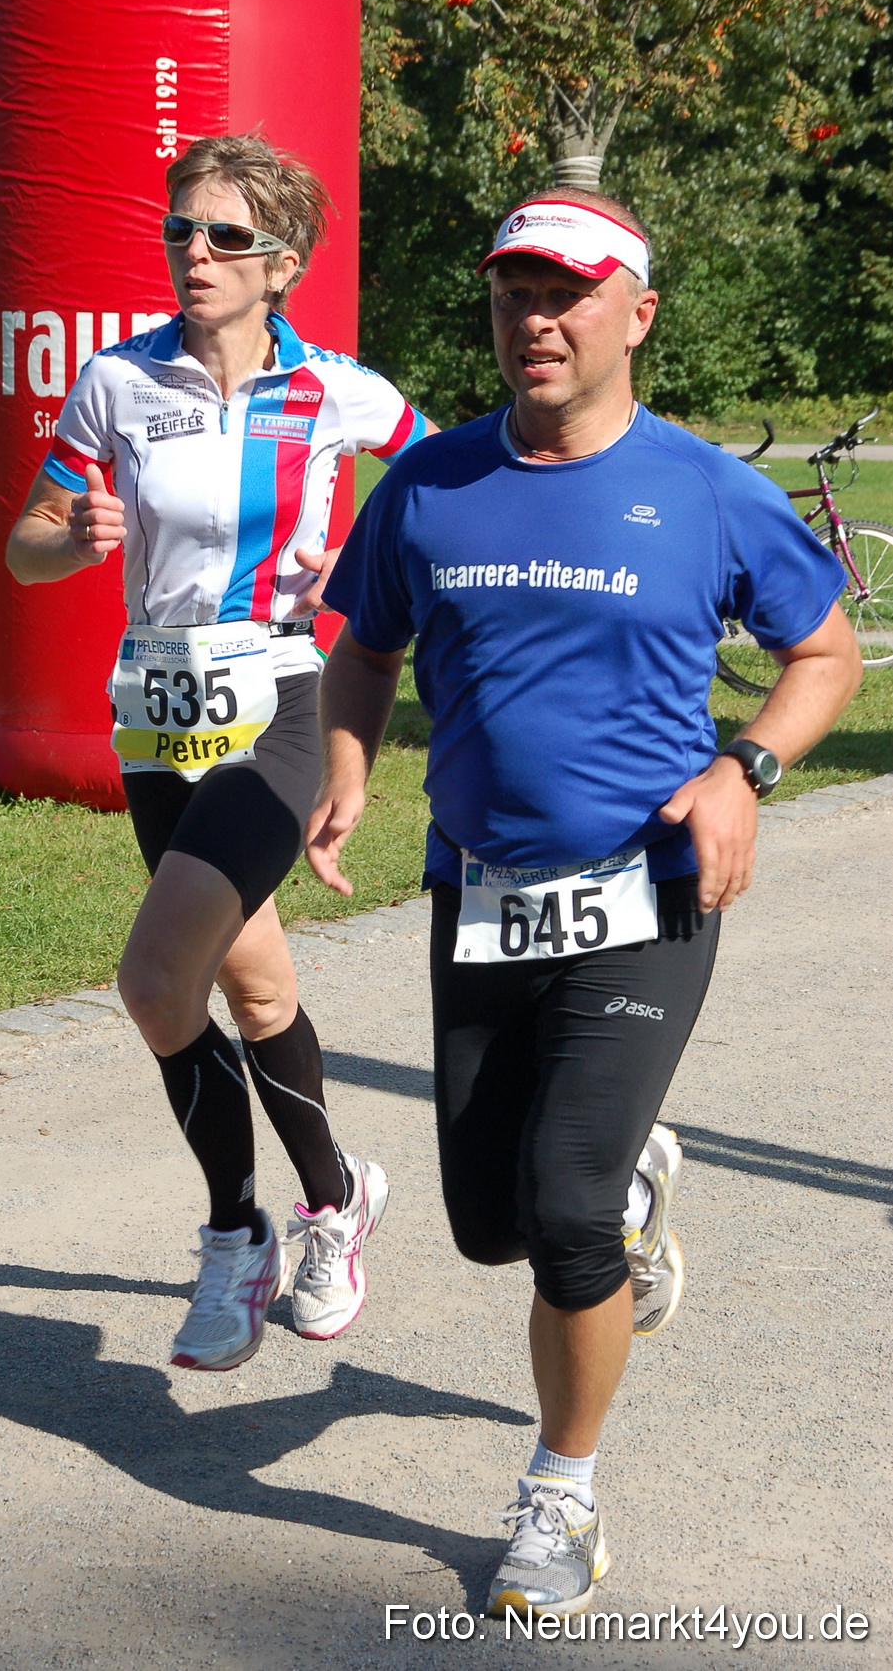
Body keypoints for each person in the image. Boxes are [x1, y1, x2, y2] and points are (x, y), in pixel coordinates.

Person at [307, 189, 861, 1617]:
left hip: (647, 895)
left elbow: (824, 652)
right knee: (490, 1225)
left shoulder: (703, 489)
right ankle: (628, 1184)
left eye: (566, 294)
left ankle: (561, 1492)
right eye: (512, 294)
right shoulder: (425, 485)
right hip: (477, 896)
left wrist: (743, 768)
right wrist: (353, 768)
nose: (534, 321)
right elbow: (363, 648)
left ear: (637, 315)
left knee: (557, 1213)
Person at [6, 134, 435, 1373]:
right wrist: (71, 535)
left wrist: (351, 568)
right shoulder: (115, 382)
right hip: (153, 715)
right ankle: (336, 1197)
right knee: (247, 989)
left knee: (153, 982)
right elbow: (22, 548)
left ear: (282, 261)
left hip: (277, 701)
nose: (194, 253)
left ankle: (233, 1233)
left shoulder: (336, 391)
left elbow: (448, 491)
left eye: (225, 236)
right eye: (180, 231)